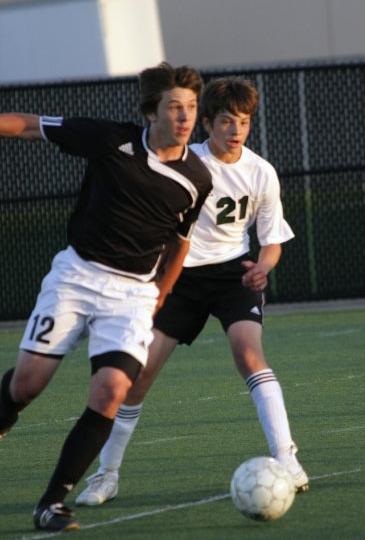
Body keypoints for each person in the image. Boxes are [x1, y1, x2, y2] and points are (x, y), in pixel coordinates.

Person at [75, 76, 309, 507]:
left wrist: (262, 267)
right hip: (179, 278)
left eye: (243, 121)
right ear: (206, 124)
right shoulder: (186, 164)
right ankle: (106, 475)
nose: (235, 130)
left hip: (232, 277)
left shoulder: (261, 172)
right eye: (226, 121)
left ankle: (287, 459)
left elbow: (272, 239)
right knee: (139, 377)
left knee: (249, 355)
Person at [0, 62, 213, 532]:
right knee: (27, 385)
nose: (185, 118)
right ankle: (6, 409)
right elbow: (32, 125)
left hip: (131, 296)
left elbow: (181, 241)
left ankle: (51, 503)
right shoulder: (109, 140)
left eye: (192, 108)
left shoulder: (197, 178)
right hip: (76, 277)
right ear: (150, 112)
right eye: (174, 107)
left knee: (112, 390)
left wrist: (162, 292)